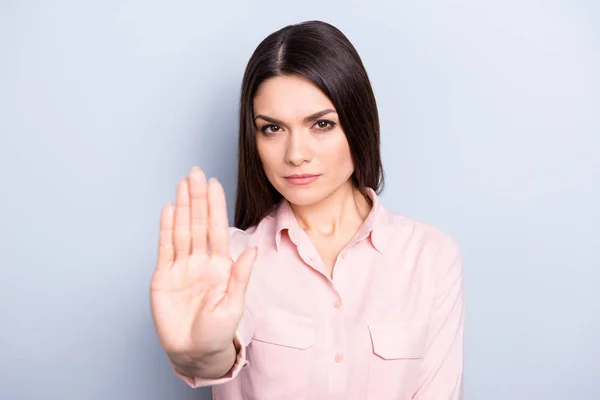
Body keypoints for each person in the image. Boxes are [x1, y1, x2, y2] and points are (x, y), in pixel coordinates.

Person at [150, 20, 464, 400]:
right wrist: (199, 352)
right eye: (272, 129)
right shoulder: (231, 260)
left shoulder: (430, 257)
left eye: (321, 124)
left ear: (358, 124)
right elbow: (215, 357)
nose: (296, 154)